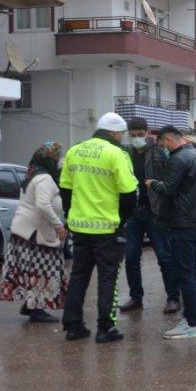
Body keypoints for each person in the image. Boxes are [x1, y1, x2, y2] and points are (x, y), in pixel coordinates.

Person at [60, 113, 140, 343]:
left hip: (80, 226)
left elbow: (65, 189)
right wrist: (122, 219)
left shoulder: (75, 151)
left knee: (79, 275)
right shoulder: (117, 154)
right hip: (107, 228)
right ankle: (106, 328)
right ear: (114, 132)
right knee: (108, 278)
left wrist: (71, 216)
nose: (122, 137)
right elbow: (129, 193)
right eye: (122, 134)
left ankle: (73, 325)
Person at [147, 125, 196, 340]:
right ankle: (194, 321)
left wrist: (153, 184)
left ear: (167, 139)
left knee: (185, 275)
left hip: (182, 225)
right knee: (193, 273)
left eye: (161, 144)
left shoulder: (178, 159)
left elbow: (168, 190)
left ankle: (191, 323)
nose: (162, 149)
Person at [0, 143, 68, 323]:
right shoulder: (44, 178)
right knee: (41, 269)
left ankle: (30, 305)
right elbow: (43, 205)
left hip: (25, 230)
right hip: (35, 233)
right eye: (57, 156)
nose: (59, 160)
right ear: (49, 159)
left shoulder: (32, 174)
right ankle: (36, 309)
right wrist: (58, 226)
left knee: (31, 269)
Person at [119, 117, 180, 315]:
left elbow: (171, 179)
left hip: (155, 212)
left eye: (140, 134)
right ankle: (136, 297)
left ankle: (173, 298)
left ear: (147, 133)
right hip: (133, 212)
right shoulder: (125, 153)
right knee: (131, 257)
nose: (137, 138)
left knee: (164, 257)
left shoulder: (159, 152)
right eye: (133, 135)